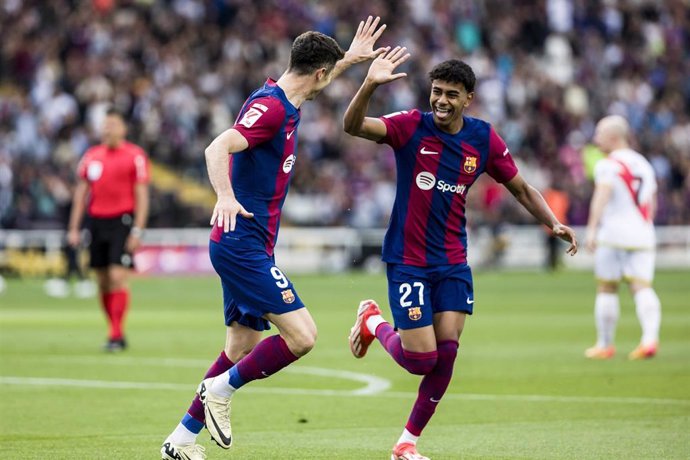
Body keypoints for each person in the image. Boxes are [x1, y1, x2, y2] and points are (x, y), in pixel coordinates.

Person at [160, 17, 388, 460]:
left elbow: (311, 85)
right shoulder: (272, 109)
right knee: (302, 336)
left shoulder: (285, 96)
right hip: (241, 243)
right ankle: (220, 391)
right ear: (319, 73)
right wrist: (224, 195)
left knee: (239, 346)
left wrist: (350, 60)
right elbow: (216, 147)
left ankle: (181, 441)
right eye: (329, 72)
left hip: (247, 244)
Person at [343, 53, 578, 460]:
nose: (442, 100)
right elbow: (353, 126)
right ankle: (373, 320)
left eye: (452, 94)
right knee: (421, 360)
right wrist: (369, 85)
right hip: (408, 260)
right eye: (437, 92)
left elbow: (521, 188)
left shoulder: (483, 139)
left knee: (447, 353)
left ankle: (406, 444)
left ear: (468, 98)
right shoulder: (410, 126)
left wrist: (551, 223)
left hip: (452, 261)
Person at [67, 108, 150, 352]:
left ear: (123, 128)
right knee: (102, 280)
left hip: (121, 221)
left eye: (113, 124)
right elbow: (81, 193)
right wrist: (74, 227)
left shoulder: (135, 155)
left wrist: (138, 230)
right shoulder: (91, 156)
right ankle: (113, 329)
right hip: (96, 222)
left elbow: (142, 195)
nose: (107, 128)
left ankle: (116, 334)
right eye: (105, 124)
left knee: (117, 276)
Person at [583, 115, 661, 360]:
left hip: (614, 235)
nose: (595, 139)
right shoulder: (644, 164)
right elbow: (653, 203)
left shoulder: (608, 164)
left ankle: (605, 344)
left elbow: (601, 196)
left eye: (599, 133)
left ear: (613, 137)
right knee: (642, 287)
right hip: (643, 234)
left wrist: (592, 229)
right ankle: (649, 340)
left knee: (607, 287)